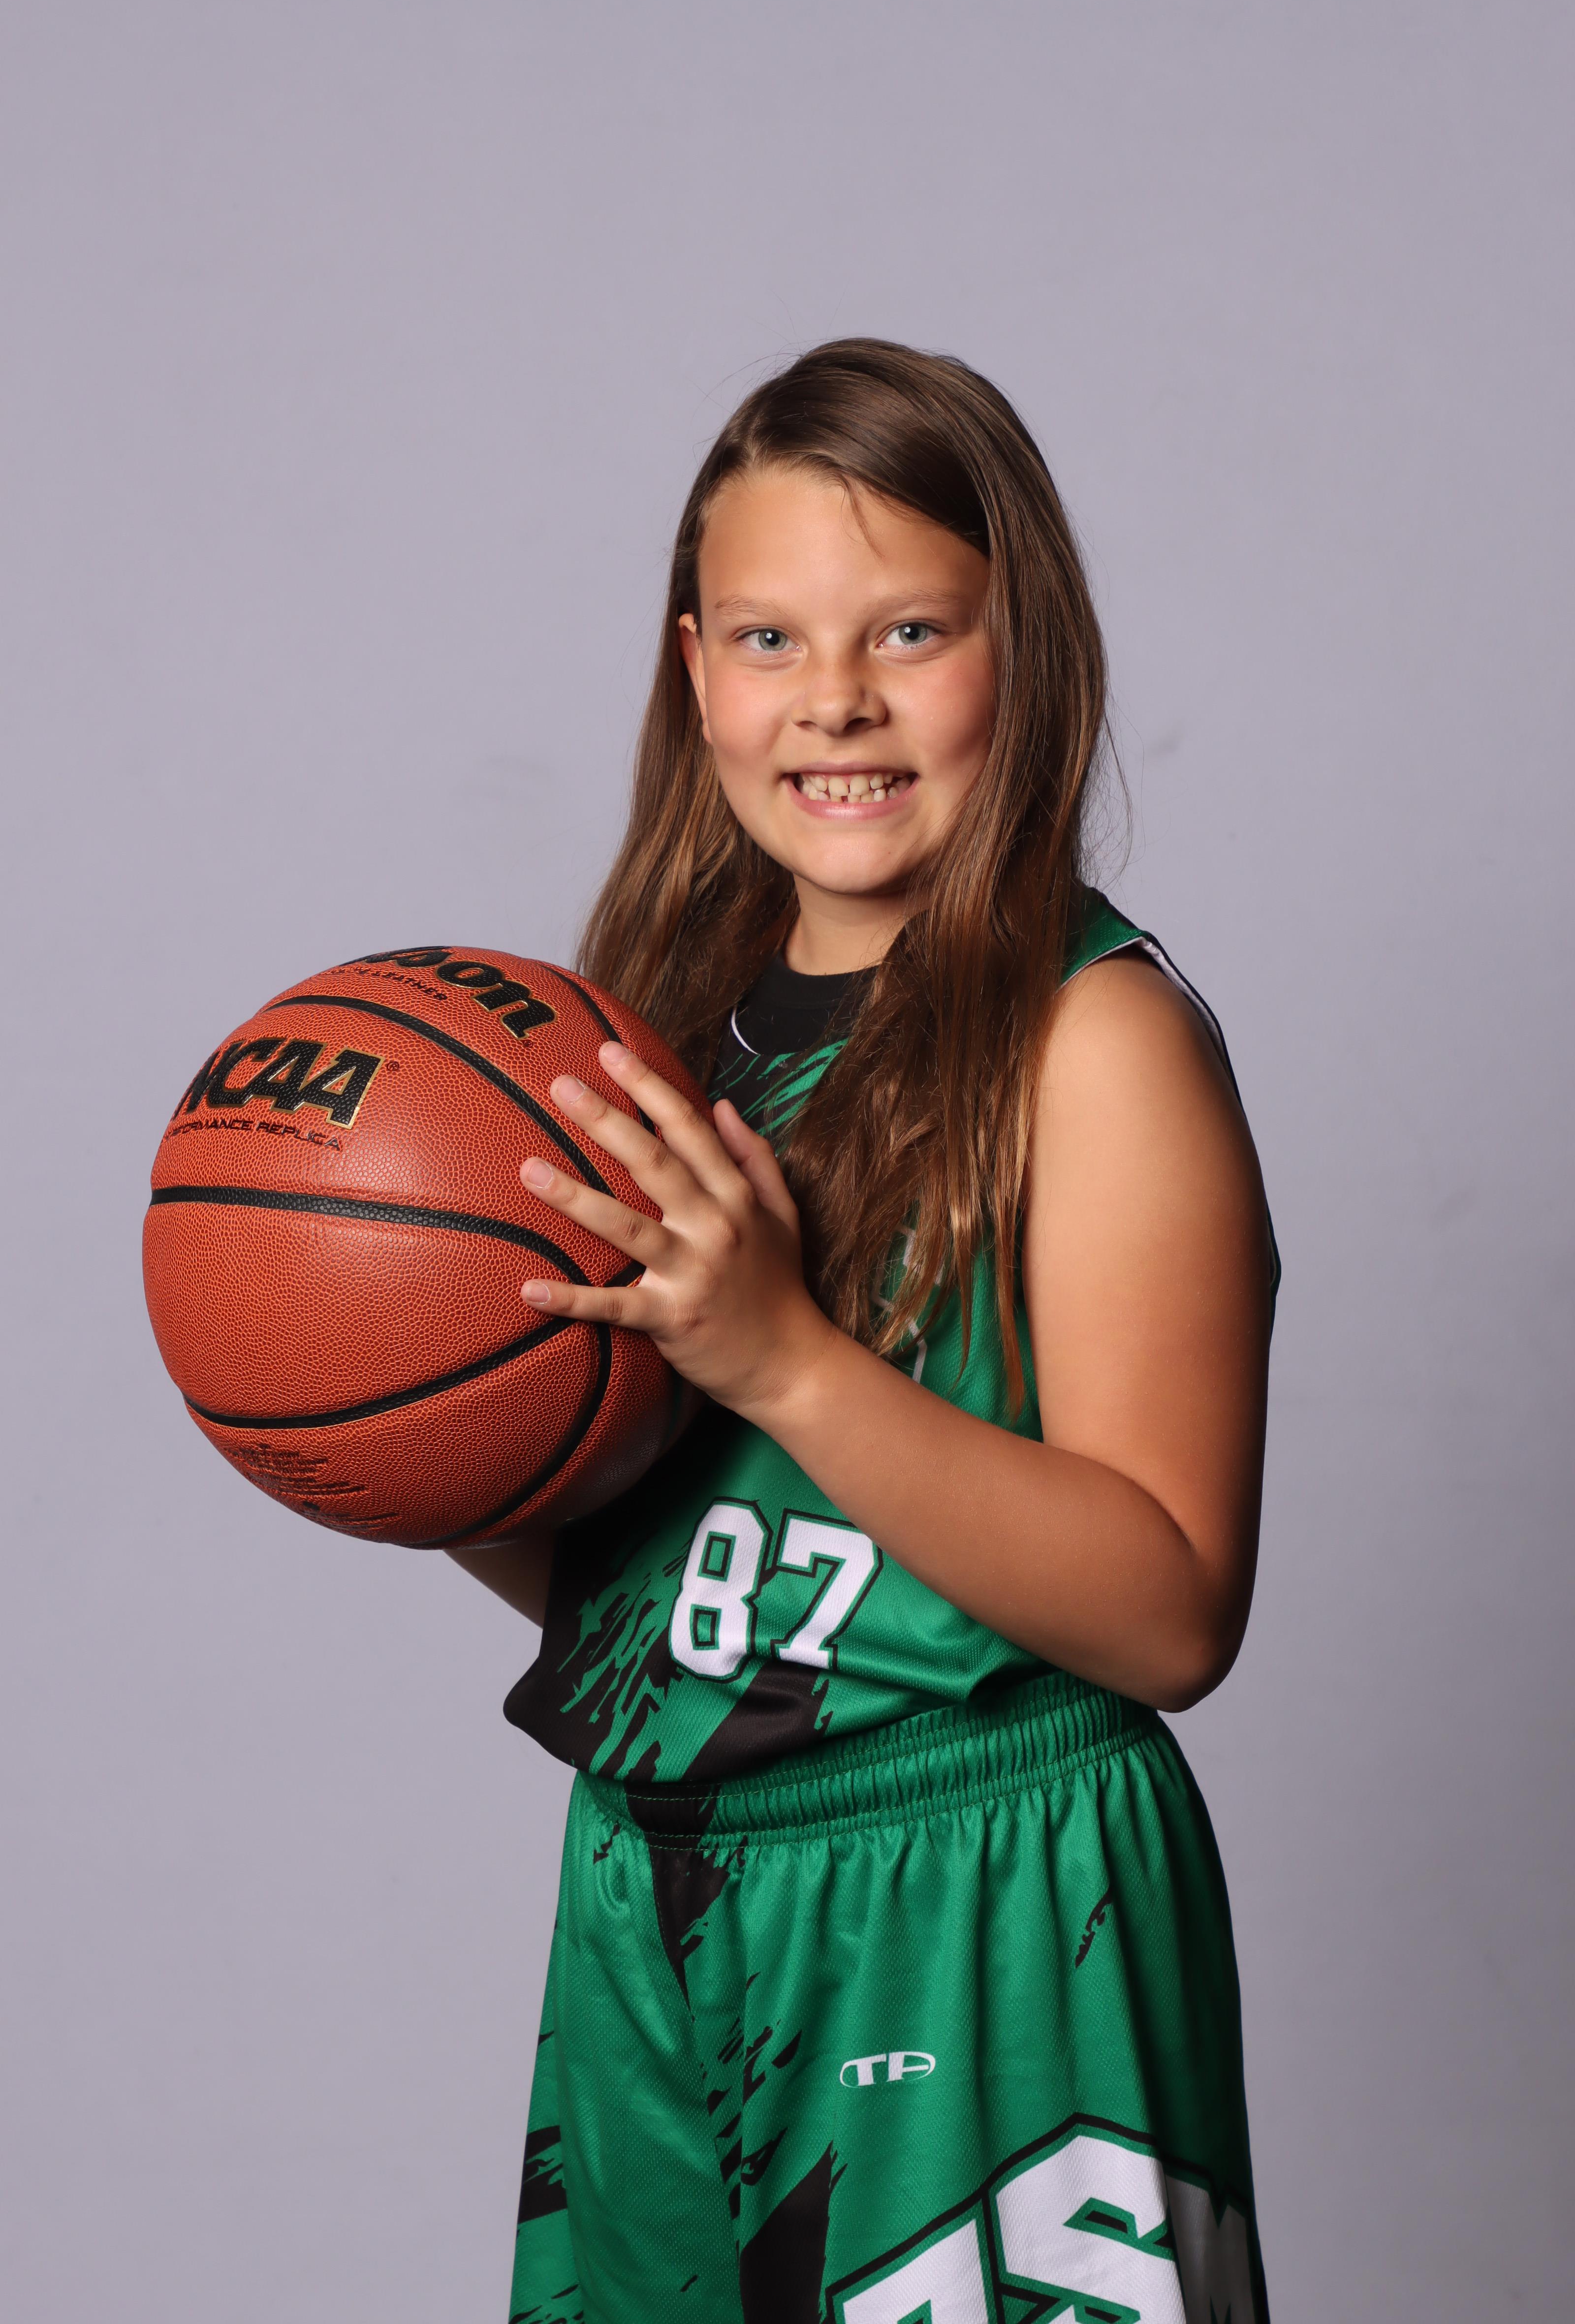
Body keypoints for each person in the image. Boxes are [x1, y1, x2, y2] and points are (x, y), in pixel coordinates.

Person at [452, 339, 1277, 2323]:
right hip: (664, 1873)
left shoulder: (1093, 1044)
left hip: (981, 1885)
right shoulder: (658, 1033)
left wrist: (781, 1359)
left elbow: (1171, 1609)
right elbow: (650, 1581)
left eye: (910, 630)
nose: (834, 697)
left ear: (1026, 655)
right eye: (769, 638)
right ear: (694, 672)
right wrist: (414, 1434)